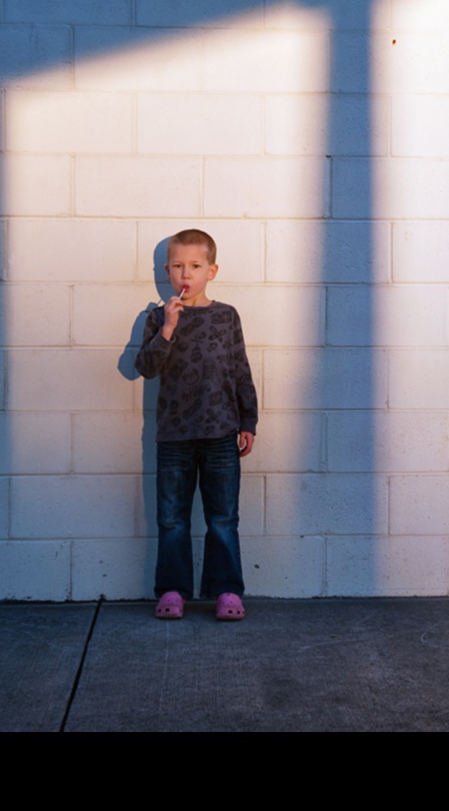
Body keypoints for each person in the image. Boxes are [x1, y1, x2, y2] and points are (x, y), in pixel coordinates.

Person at [134, 229, 258, 622]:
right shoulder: (157, 316)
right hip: (174, 435)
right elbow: (146, 368)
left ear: (212, 270)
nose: (186, 274)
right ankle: (173, 591)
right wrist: (168, 328)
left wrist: (248, 419)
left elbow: (240, 368)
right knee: (172, 518)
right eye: (177, 266)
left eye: (195, 266)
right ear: (167, 271)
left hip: (221, 432)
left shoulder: (226, 316)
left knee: (222, 517)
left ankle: (226, 590)